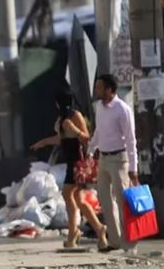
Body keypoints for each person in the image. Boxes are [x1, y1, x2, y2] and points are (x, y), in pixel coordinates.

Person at [30, 90, 109, 251]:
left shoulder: (76, 116)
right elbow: (61, 138)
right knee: (78, 199)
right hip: (70, 162)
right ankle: (97, 229)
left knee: (68, 194)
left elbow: (87, 139)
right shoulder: (62, 118)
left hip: (78, 163)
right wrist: (42, 142)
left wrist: (74, 129)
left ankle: (74, 232)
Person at [88, 74, 139, 255]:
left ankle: (129, 244)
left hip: (119, 160)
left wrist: (133, 168)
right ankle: (115, 241)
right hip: (103, 159)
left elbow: (131, 140)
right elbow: (98, 132)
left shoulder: (122, 109)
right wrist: (91, 149)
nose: (96, 90)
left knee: (123, 202)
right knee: (105, 201)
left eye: (99, 87)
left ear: (109, 90)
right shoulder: (99, 108)